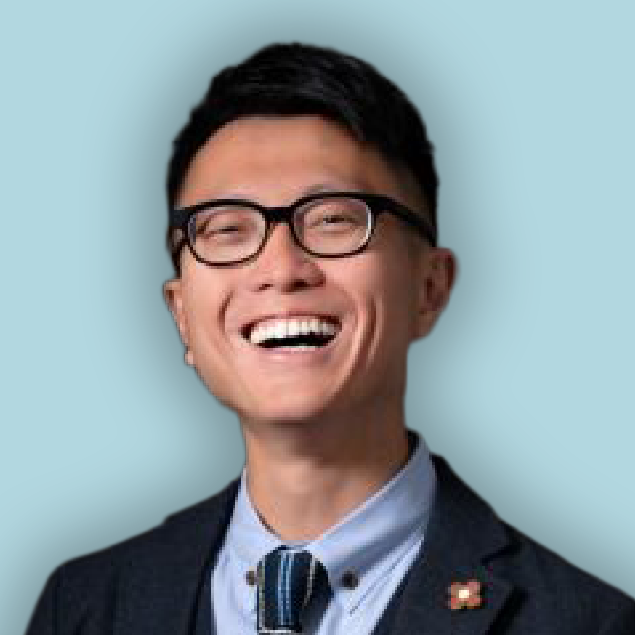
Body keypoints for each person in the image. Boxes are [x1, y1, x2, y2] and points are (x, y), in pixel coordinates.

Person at [25, 42, 634, 635]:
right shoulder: (83, 607)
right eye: (228, 228)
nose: (280, 270)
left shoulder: (587, 623)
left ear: (429, 288)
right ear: (182, 315)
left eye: (334, 219)